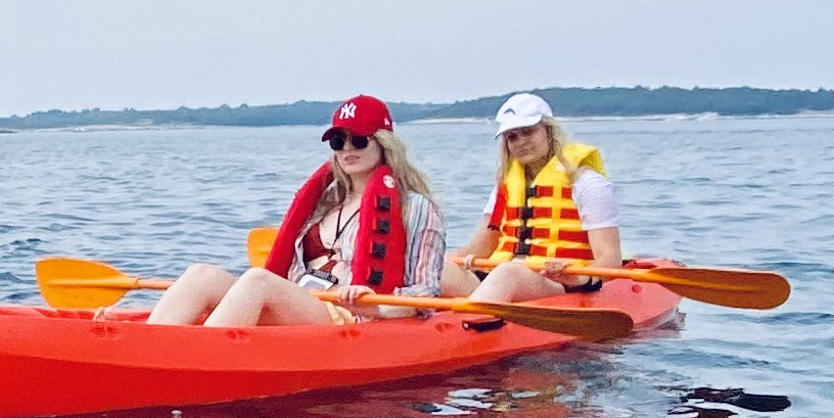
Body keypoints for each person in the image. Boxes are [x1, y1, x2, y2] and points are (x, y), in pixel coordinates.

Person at [148, 95, 448, 331]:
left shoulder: (415, 206)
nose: (347, 149)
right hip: (300, 300)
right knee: (201, 275)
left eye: (358, 140)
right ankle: (150, 347)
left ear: (384, 144)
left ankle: (197, 356)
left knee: (258, 280)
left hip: (349, 316)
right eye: (338, 141)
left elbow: (426, 293)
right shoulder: (326, 201)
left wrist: (376, 306)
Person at [458, 93, 625, 302]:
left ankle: (470, 317)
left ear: (549, 131)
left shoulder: (587, 183)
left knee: (509, 273)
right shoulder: (505, 186)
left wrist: (580, 278)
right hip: (498, 277)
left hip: (554, 283)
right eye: (512, 137)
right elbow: (479, 249)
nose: (521, 142)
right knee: (441, 269)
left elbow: (610, 258)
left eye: (528, 132)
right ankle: (434, 315)